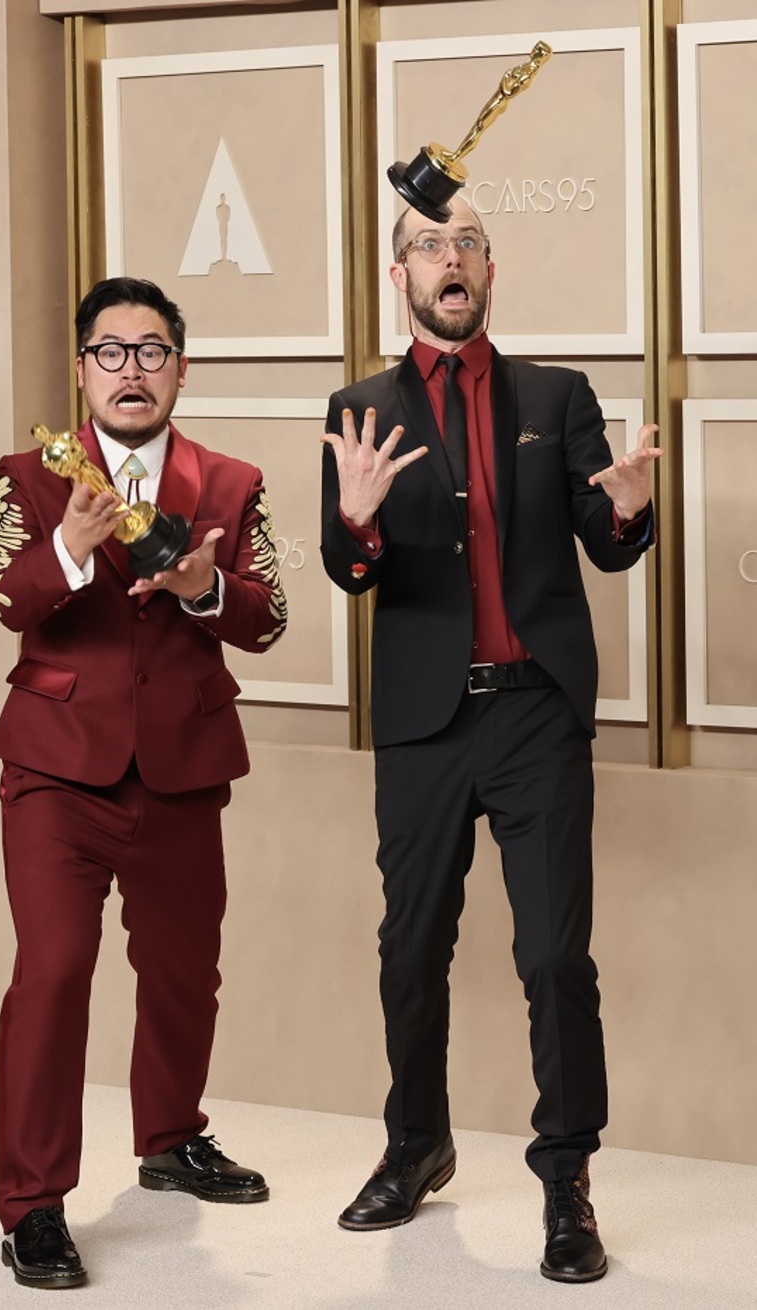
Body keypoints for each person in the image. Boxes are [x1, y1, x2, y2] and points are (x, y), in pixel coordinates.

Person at [321, 199, 661, 1283]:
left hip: (533, 711)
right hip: (422, 720)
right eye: (429, 246)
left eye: (465, 244)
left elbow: (607, 543)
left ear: (489, 270)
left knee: (553, 952)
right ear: (399, 276)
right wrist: (359, 521)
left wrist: (628, 509)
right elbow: (348, 567)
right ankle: (416, 1143)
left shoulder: (555, 396)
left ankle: (565, 1177)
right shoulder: (359, 407)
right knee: (409, 943)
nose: (449, 259)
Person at [0, 276, 287, 1289]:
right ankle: (31, 1203)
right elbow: (2, 594)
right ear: (81, 368)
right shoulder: (27, 475)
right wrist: (69, 545)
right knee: (55, 967)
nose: (130, 369)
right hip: (55, 768)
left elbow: (267, 614)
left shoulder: (232, 480)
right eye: (109, 351)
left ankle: (169, 1137)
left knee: (180, 970)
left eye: (150, 350)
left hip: (181, 767)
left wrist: (207, 588)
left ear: (180, 368)